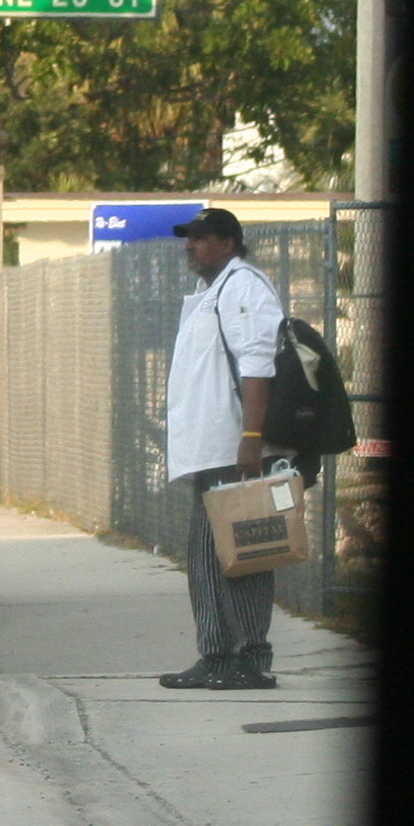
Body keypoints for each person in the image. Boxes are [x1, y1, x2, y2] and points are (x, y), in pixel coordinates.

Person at [159, 206, 288, 690]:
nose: (191, 246)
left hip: (234, 448)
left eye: (201, 238)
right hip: (212, 449)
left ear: (228, 244)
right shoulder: (211, 293)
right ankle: (229, 657)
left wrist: (251, 439)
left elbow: (258, 365)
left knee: (237, 556)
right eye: (189, 239)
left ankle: (241, 659)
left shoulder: (243, 288)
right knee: (222, 557)